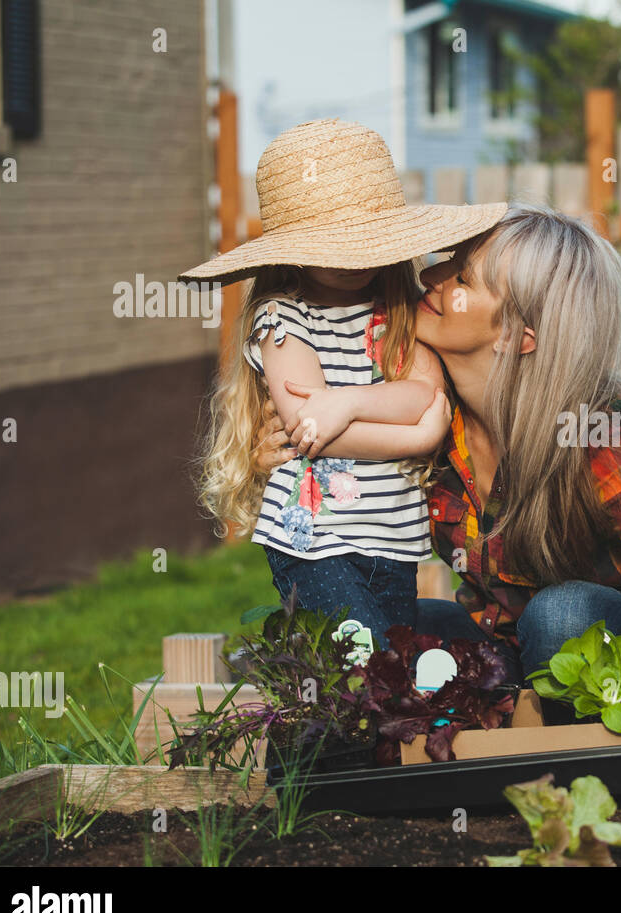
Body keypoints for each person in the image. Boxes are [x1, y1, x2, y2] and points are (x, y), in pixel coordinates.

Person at [258, 204, 621, 767]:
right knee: (387, 631)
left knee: (560, 615)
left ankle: (584, 763)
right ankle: (448, 754)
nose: (430, 276)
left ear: (516, 335)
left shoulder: (590, 429)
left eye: (461, 279)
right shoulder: (428, 419)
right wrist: (285, 445)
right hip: (512, 653)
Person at [187, 118, 506, 647]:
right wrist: (418, 436)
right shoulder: (284, 319)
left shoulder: (401, 311)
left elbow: (420, 394)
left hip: (395, 539)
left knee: (387, 676)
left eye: (363, 244)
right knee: (363, 667)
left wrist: (348, 402)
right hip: (316, 540)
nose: (350, 262)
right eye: (331, 247)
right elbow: (309, 428)